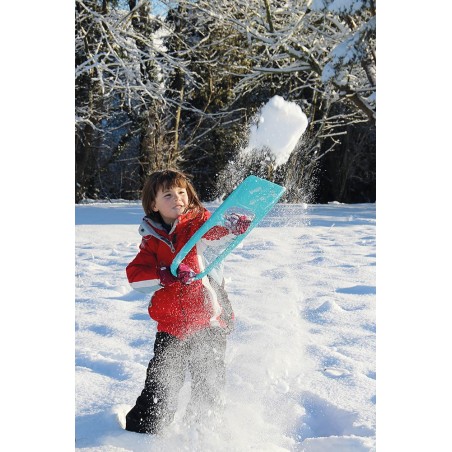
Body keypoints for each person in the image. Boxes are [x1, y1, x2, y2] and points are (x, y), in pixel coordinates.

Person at [125, 169, 251, 434]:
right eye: (168, 195)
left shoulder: (198, 223)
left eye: (181, 192)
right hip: (171, 326)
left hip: (208, 320)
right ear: (153, 204)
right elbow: (136, 277)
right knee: (162, 382)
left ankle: (203, 430)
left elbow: (215, 233)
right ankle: (143, 432)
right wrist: (164, 275)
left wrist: (232, 227)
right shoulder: (151, 241)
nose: (177, 199)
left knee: (208, 379)